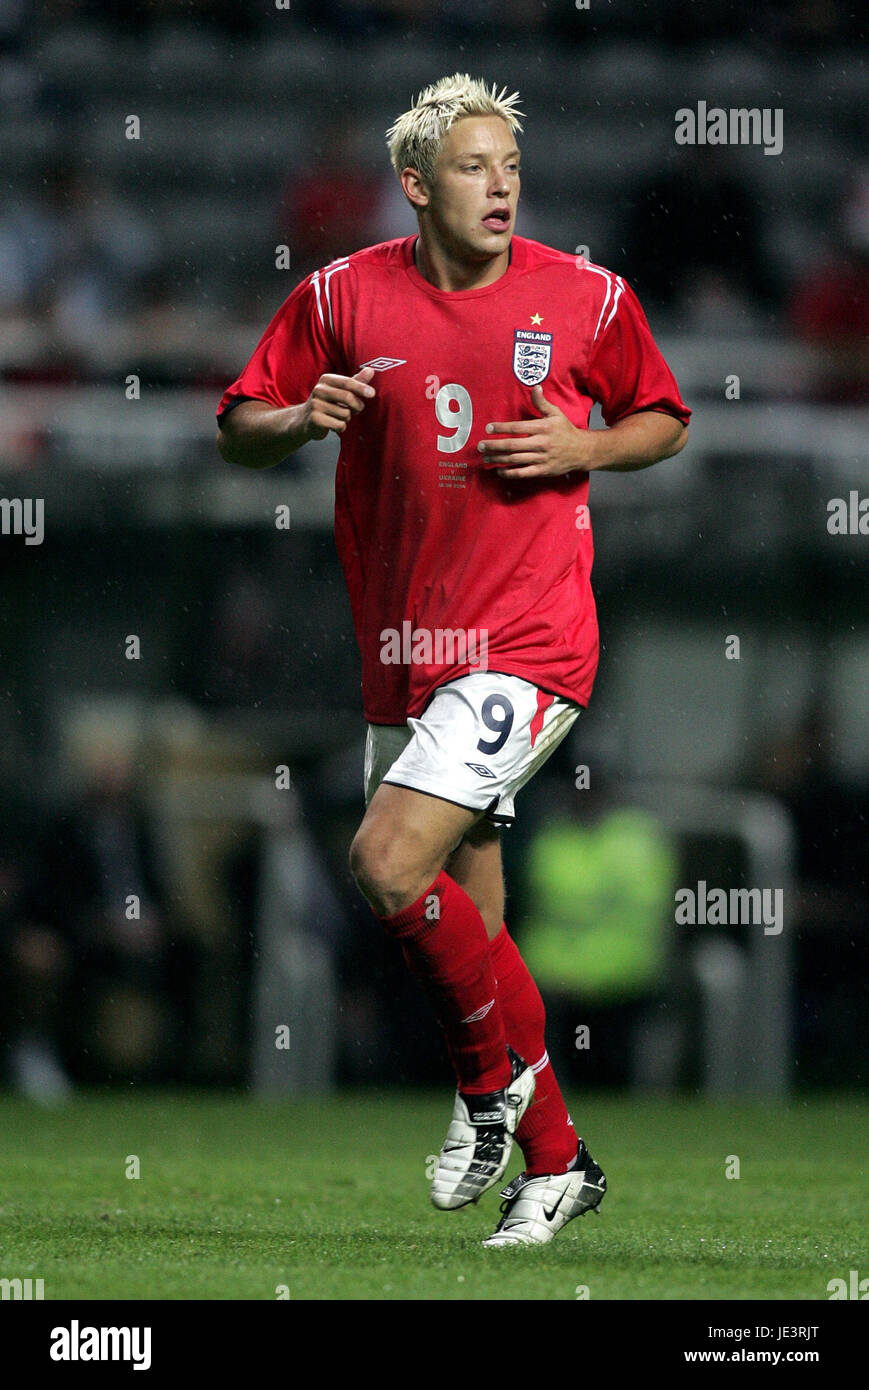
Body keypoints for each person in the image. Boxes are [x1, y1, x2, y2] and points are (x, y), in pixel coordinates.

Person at [216, 74, 691, 1245]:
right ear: (417, 184)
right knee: (459, 922)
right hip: (404, 650)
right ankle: (555, 1156)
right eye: (475, 168)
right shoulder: (340, 295)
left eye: (511, 168)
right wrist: (298, 419)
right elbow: (238, 426)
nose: (501, 187)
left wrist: (584, 441)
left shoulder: (583, 297)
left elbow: (664, 415)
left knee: (383, 860)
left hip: (527, 645)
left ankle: (487, 1094)